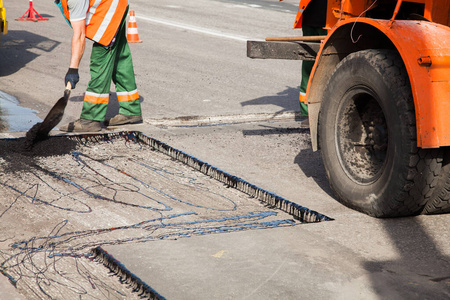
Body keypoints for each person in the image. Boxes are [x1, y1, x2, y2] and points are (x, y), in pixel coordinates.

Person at [54, 0, 142, 132]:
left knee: (100, 62)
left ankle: (90, 118)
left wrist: (73, 69)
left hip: (109, 11)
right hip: (117, 4)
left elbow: (79, 35)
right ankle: (131, 109)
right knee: (119, 59)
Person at [293, 0, 328, 117]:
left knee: (313, 66)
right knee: (312, 65)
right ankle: (307, 112)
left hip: (326, 21)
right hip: (316, 21)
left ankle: (311, 112)